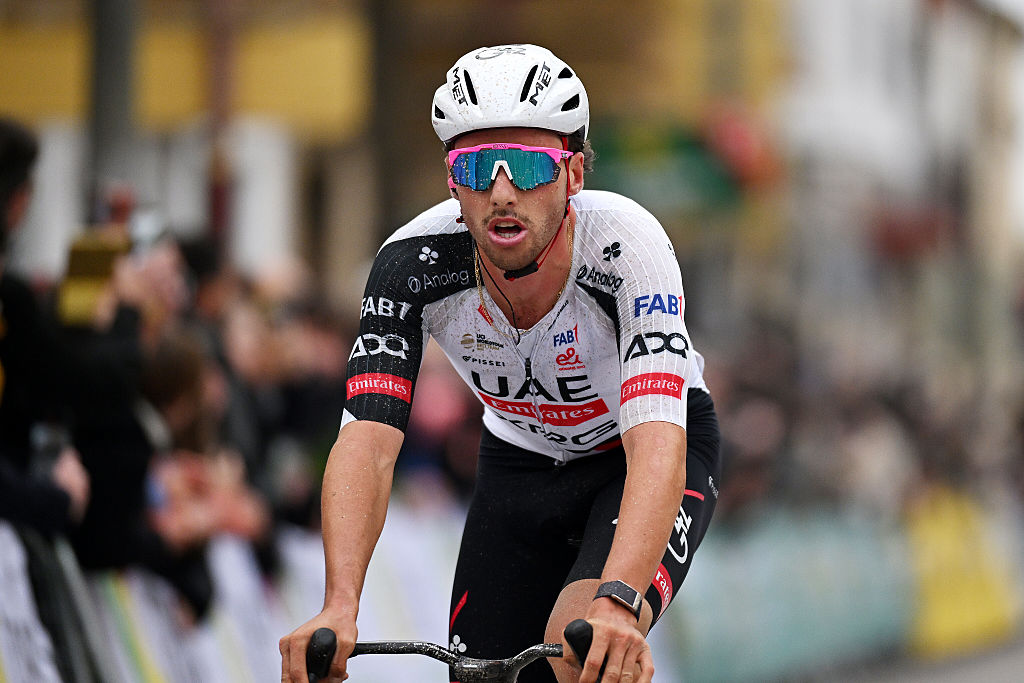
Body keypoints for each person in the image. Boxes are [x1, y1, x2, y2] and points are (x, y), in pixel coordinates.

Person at [281, 44, 721, 683]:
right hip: (518, 459)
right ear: (452, 181)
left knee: (584, 650)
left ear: (574, 174)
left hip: (633, 459)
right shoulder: (411, 264)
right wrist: (338, 606)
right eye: (478, 167)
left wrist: (620, 603)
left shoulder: (628, 247)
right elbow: (367, 444)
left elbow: (656, 444)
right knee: (479, 673)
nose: (502, 192)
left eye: (530, 166)